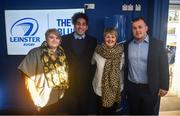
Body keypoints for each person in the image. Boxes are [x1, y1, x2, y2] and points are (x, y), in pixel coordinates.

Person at [124, 17, 169, 115]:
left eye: (140, 27)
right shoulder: (127, 45)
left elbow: (164, 66)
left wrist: (165, 86)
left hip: (150, 89)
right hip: (132, 88)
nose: (137, 30)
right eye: (134, 28)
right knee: (133, 112)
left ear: (146, 28)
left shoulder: (157, 44)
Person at [18, 28, 69, 114]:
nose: (54, 40)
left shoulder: (61, 53)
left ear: (60, 41)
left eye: (57, 38)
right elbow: (27, 77)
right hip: (42, 97)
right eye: (51, 37)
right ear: (46, 38)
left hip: (57, 96)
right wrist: (36, 99)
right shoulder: (35, 53)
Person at [61, 12, 97, 114]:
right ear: (74, 25)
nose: (80, 26)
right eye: (78, 23)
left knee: (83, 111)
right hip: (69, 83)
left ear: (87, 27)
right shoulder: (64, 39)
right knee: (72, 111)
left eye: (83, 24)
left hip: (86, 83)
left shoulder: (93, 41)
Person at [91, 27, 124, 114]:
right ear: (104, 38)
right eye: (108, 36)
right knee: (100, 112)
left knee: (112, 113)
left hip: (115, 89)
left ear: (116, 38)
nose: (110, 39)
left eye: (113, 37)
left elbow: (123, 68)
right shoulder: (97, 51)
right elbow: (92, 63)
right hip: (99, 89)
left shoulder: (121, 52)